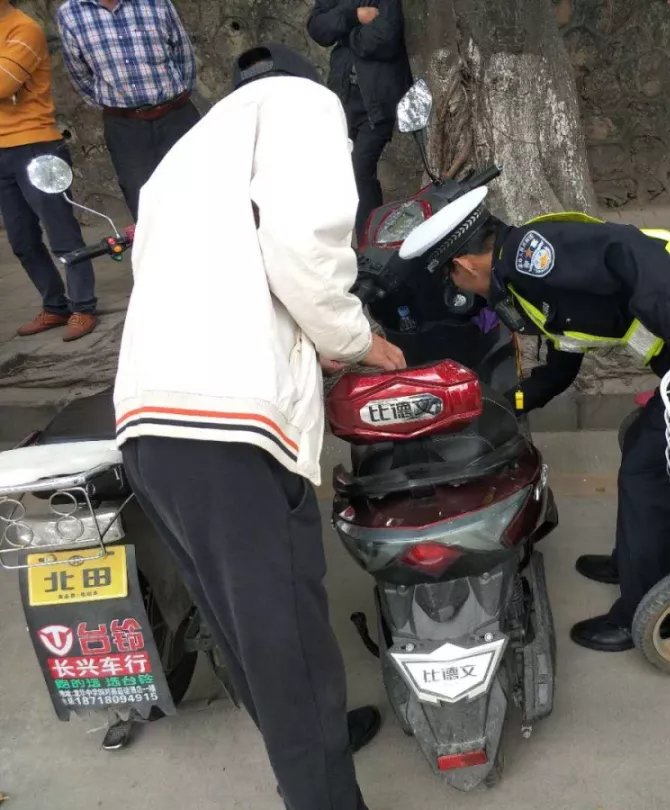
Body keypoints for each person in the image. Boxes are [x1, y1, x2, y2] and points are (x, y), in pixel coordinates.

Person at [112, 44, 406, 810]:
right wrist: (357, 339)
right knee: (289, 646)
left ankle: (311, 754)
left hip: (149, 420)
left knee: (244, 629)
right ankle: (323, 793)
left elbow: (191, 274)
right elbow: (305, 247)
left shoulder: (188, 150)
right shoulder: (303, 104)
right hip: (228, 429)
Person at [400, 189, 670, 652]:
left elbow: (631, 249)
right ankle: (635, 562)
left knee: (648, 468)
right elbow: (562, 365)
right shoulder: (522, 277)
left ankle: (643, 614)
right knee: (642, 442)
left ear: (464, 265)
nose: (461, 292)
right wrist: (501, 405)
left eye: (452, 279)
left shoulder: (531, 259)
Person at [0, 0, 98, 341]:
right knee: (22, 240)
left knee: (61, 234)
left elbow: (3, 84)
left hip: (36, 145)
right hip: (2, 151)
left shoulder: (23, 28)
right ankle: (55, 306)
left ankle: (84, 307)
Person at [56, 0, 200, 218]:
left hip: (176, 116)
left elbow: (183, 52)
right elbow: (79, 74)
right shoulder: (71, 13)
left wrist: (177, 97)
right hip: (125, 127)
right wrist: (120, 106)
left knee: (199, 188)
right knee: (143, 202)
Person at [307, 0, 412, 236]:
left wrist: (345, 35)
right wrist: (353, 16)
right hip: (343, 95)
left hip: (378, 100)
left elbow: (386, 38)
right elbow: (317, 27)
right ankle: (343, 243)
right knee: (335, 172)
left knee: (359, 171)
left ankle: (370, 242)